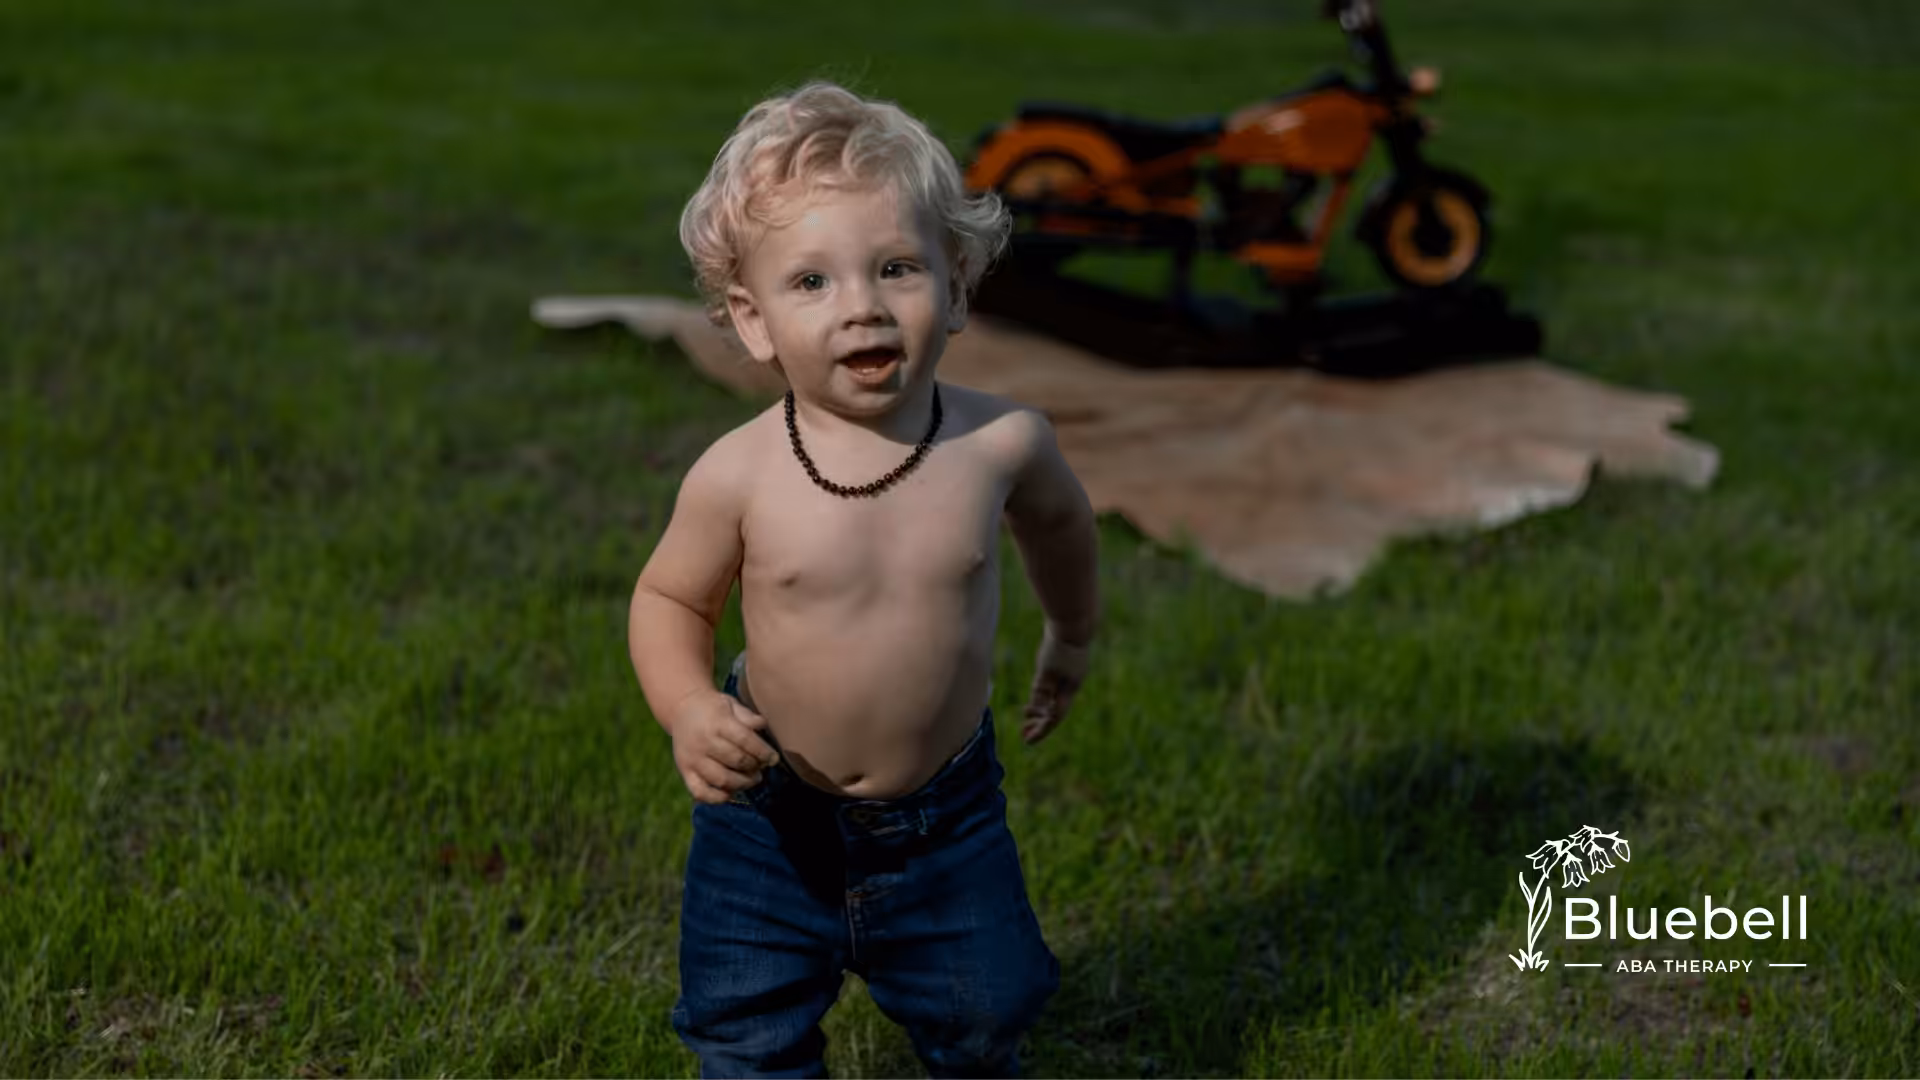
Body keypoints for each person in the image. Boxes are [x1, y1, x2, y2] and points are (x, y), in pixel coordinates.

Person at [628, 78, 1102, 1078]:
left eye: (895, 268)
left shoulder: (999, 445)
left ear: (960, 284)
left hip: (944, 820)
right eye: (813, 284)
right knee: (741, 1022)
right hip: (769, 815)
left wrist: (1072, 634)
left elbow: (1063, 523)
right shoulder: (741, 471)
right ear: (753, 322)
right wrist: (683, 707)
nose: (863, 309)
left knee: (990, 1008)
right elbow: (670, 599)